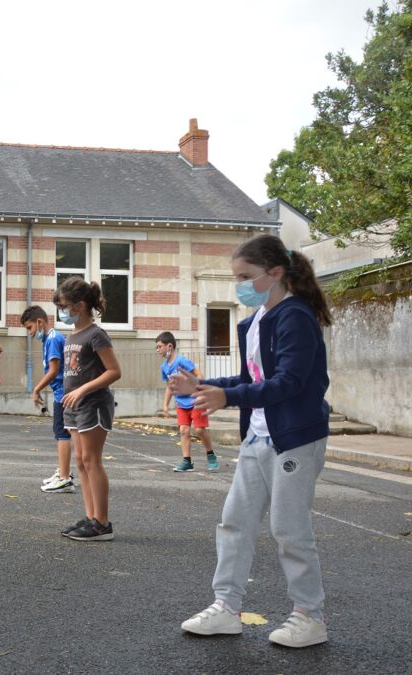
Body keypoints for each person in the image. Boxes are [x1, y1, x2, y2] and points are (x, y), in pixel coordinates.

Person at [175, 234, 333, 649]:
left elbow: (290, 382)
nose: (239, 286)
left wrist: (228, 398)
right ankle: (226, 608)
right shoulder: (254, 322)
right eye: (236, 278)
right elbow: (252, 379)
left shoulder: (295, 317)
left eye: (245, 277)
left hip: (293, 439)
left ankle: (310, 616)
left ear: (275, 273)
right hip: (258, 437)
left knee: (289, 529)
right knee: (234, 522)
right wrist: (202, 386)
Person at [57, 276, 121, 542]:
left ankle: (102, 524)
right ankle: (91, 516)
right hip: (73, 406)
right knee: (81, 461)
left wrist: (82, 390)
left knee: (92, 461)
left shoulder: (96, 334)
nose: (61, 311)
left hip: (93, 405)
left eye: (63, 306)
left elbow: (114, 371)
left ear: (80, 306)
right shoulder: (72, 335)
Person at [21, 304, 74, 492]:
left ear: (39, 322)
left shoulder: (52, 339)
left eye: (30, 328)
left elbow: (53, 370)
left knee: (62, 434)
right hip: (62, 393)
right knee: (61, 433)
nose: (30, 333)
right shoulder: (51, 339)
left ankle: (64, 478)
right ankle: (63, 472)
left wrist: (36, 389)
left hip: (63, 394)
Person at [156, 331, 218, 472]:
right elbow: (169, 387)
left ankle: (211, 455)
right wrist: (165, 405)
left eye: (159, 346)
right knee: (183, 430)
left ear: (169, 346)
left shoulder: (182, 361)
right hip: (181, 403)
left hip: (196, 400)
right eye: (157, 347)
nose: (158, 350)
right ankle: (187, 461)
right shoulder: (164, 367)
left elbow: (199, 374)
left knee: (199, 430)